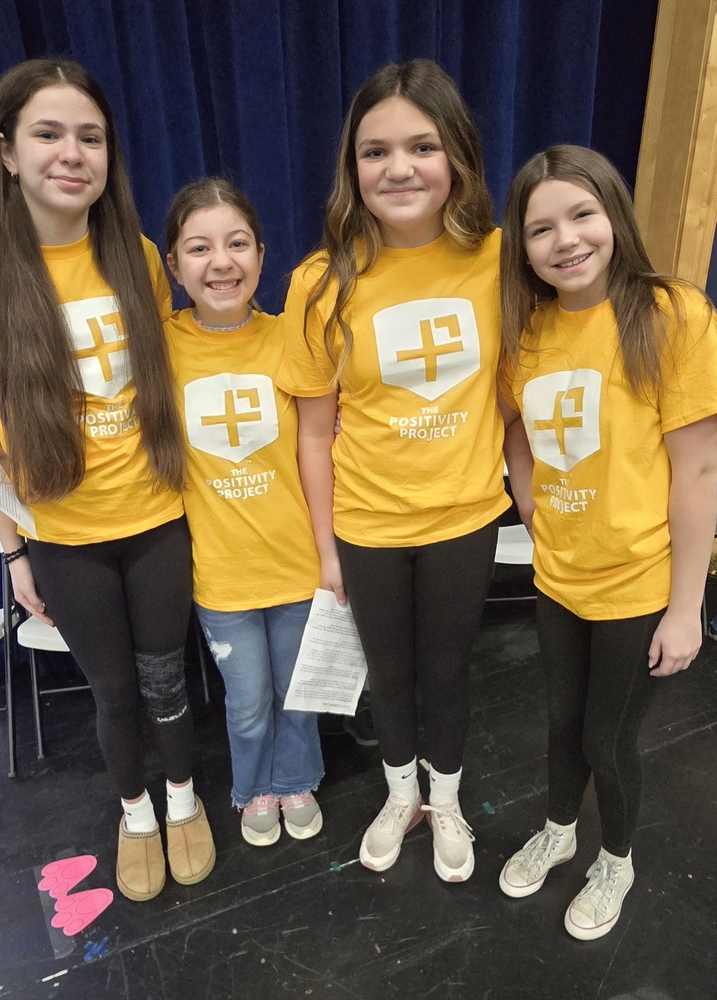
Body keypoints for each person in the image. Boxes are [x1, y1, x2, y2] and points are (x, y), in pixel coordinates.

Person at [0, 59, 215, 902]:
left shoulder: (137, 256)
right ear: (5, 151)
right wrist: (17, 555)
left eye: (91, 136)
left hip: (155, 519)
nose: (73, 153)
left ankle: (183, 798)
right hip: (64, 536)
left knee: (166, 679)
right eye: (48, 133)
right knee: (111, 693)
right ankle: (136, 810)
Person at [277, 59, 511, 883]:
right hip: (367, 525)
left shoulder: (501, 261)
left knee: (447, 670)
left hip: (464, 515)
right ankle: (398, 792)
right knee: (390, 672)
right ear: (352, 168)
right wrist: (326, 549)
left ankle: (444, 800)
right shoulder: (321, 282)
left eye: (421, 146)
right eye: (375, 152)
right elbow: (313, 436)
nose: (399, 168)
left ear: (458, 158)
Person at [497, 145, 717, 939]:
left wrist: (687, 608)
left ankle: (615, 859)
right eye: (540, 227)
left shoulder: (671, 314)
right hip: (560, 577)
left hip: (640, 583)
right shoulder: (525, 332)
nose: (566, 240)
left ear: (614, 214)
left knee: (607, 735)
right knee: (561, 720)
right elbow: (516, 432)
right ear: (521, 248)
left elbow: (697, 470)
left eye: (582, 214)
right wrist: (533, 510)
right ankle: (559, 830)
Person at [164, 178, 324, 846]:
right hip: (222, 575)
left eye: (236, 244)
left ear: (261, 254)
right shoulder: (158, 346)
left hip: (296, 564)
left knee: (298, 691)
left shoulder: (293, 336)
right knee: (250, 699)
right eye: (199, 248)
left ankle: (295, 780)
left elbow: (323, 447)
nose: (220, 262)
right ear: (173, 265)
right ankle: (253, 786)